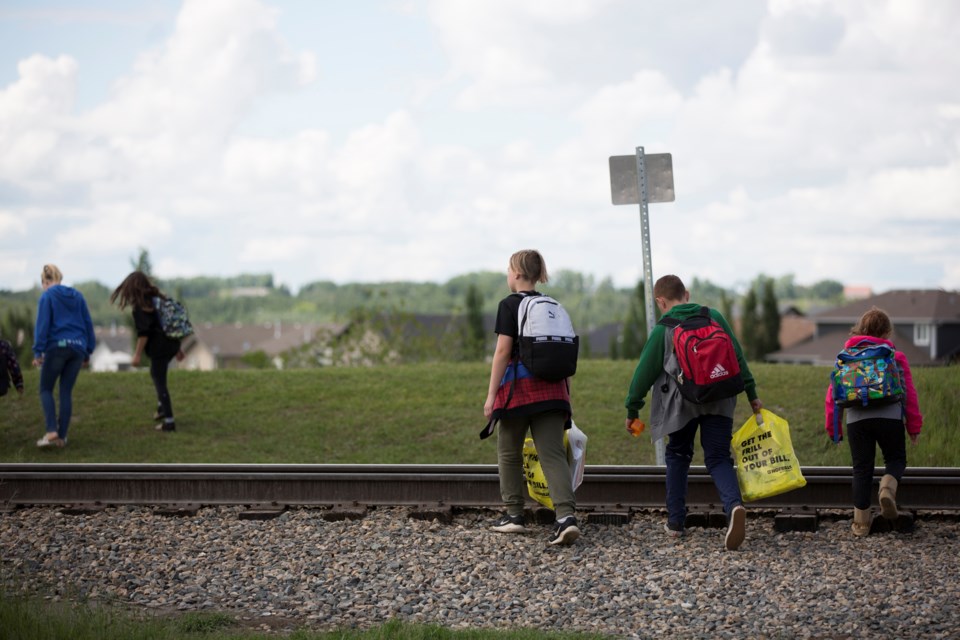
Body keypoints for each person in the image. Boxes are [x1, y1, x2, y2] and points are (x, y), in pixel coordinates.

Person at [624, 274, 762, 551]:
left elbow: (644, 373)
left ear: (660, 301)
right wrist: (752, 394)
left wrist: (632, 407)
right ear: (686, 294)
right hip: (721, 399)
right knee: (719, 458)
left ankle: (675, 523)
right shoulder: (714, 317)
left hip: (681, 403)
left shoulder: (664, 329)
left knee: (677, 454)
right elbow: (737, 356)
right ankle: (734, 506)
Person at [483, 249, 580, 545]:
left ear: (516, 273)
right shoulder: (552, 305)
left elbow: (502, 351)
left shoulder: (510, 305)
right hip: (553, 391)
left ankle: (514, 514)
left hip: (519, 391)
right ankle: (566, 518)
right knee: (552, 454)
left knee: (509, 452)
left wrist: (491, 396)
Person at [823, 306, 923, 536]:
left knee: (861, 469)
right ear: (887, 332)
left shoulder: (845, 357)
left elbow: (832, 396)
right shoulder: (894, 356)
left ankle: (860, 524)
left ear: (859, 329)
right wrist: (913, 425)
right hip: (890, 416)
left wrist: (833, 429)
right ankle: (887, 488)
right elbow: (909, 393)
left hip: (856, 420)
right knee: (896, 459)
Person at [110, 271, 185, 432]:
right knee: (158, 374)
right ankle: (161, 408)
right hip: (171, 344)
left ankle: (169, 421)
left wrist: (137, 354)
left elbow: (144, 333)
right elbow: (170, 324)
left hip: (159, 347)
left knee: (159, 380)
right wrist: (178, 348)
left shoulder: (140, 306)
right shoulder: (159, 299)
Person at [32, 264, 96, 447]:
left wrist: (38, 351)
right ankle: (62, 437)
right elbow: (87, 324)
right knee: (65, 391)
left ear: (45, 282)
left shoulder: (47, 296)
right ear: (60, 278)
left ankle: (52, 431)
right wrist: (88, 351)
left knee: (45, 389)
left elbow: (42, 325)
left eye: (43, 283)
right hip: (78, 348)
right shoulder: (77, 295)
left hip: (57, 346)